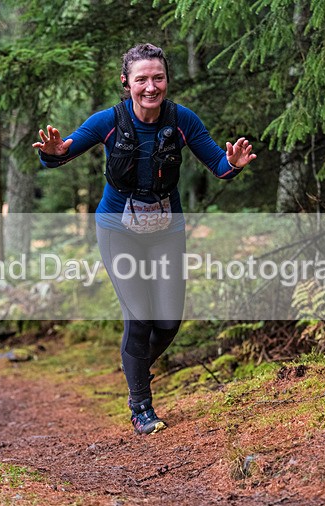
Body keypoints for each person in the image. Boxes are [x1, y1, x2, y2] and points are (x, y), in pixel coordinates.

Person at [33, 43, 256, 435]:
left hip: (167, 231)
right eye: (141, 79)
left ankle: (133, 367)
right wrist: (51, 154)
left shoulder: (182, 119)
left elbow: (218, 166)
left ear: (166, 80)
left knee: (168, 322)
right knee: (140, 317)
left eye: (158, 78)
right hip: (118, 230)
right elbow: (62, 152)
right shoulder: (109, 120)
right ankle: (141, 406)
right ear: (126, 83)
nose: (150, 87)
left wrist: (233, 164)